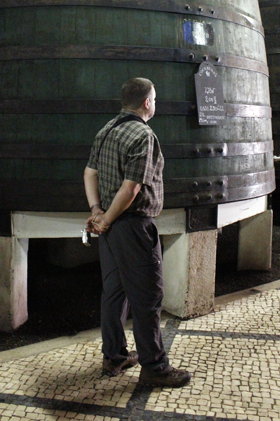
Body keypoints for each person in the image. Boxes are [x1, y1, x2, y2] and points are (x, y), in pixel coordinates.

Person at [83, 77, 191, 388]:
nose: (155, 104)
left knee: (114, 293)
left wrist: (97, 213)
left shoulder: (106, 130)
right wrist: (108, 217)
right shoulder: (143, 135)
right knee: (147, 296)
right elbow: (131, 188)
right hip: (133, 226)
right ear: (147, 102)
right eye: (154, 99)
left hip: (111, 229)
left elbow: (89, 172)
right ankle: (155, 368)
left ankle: (115, 355)